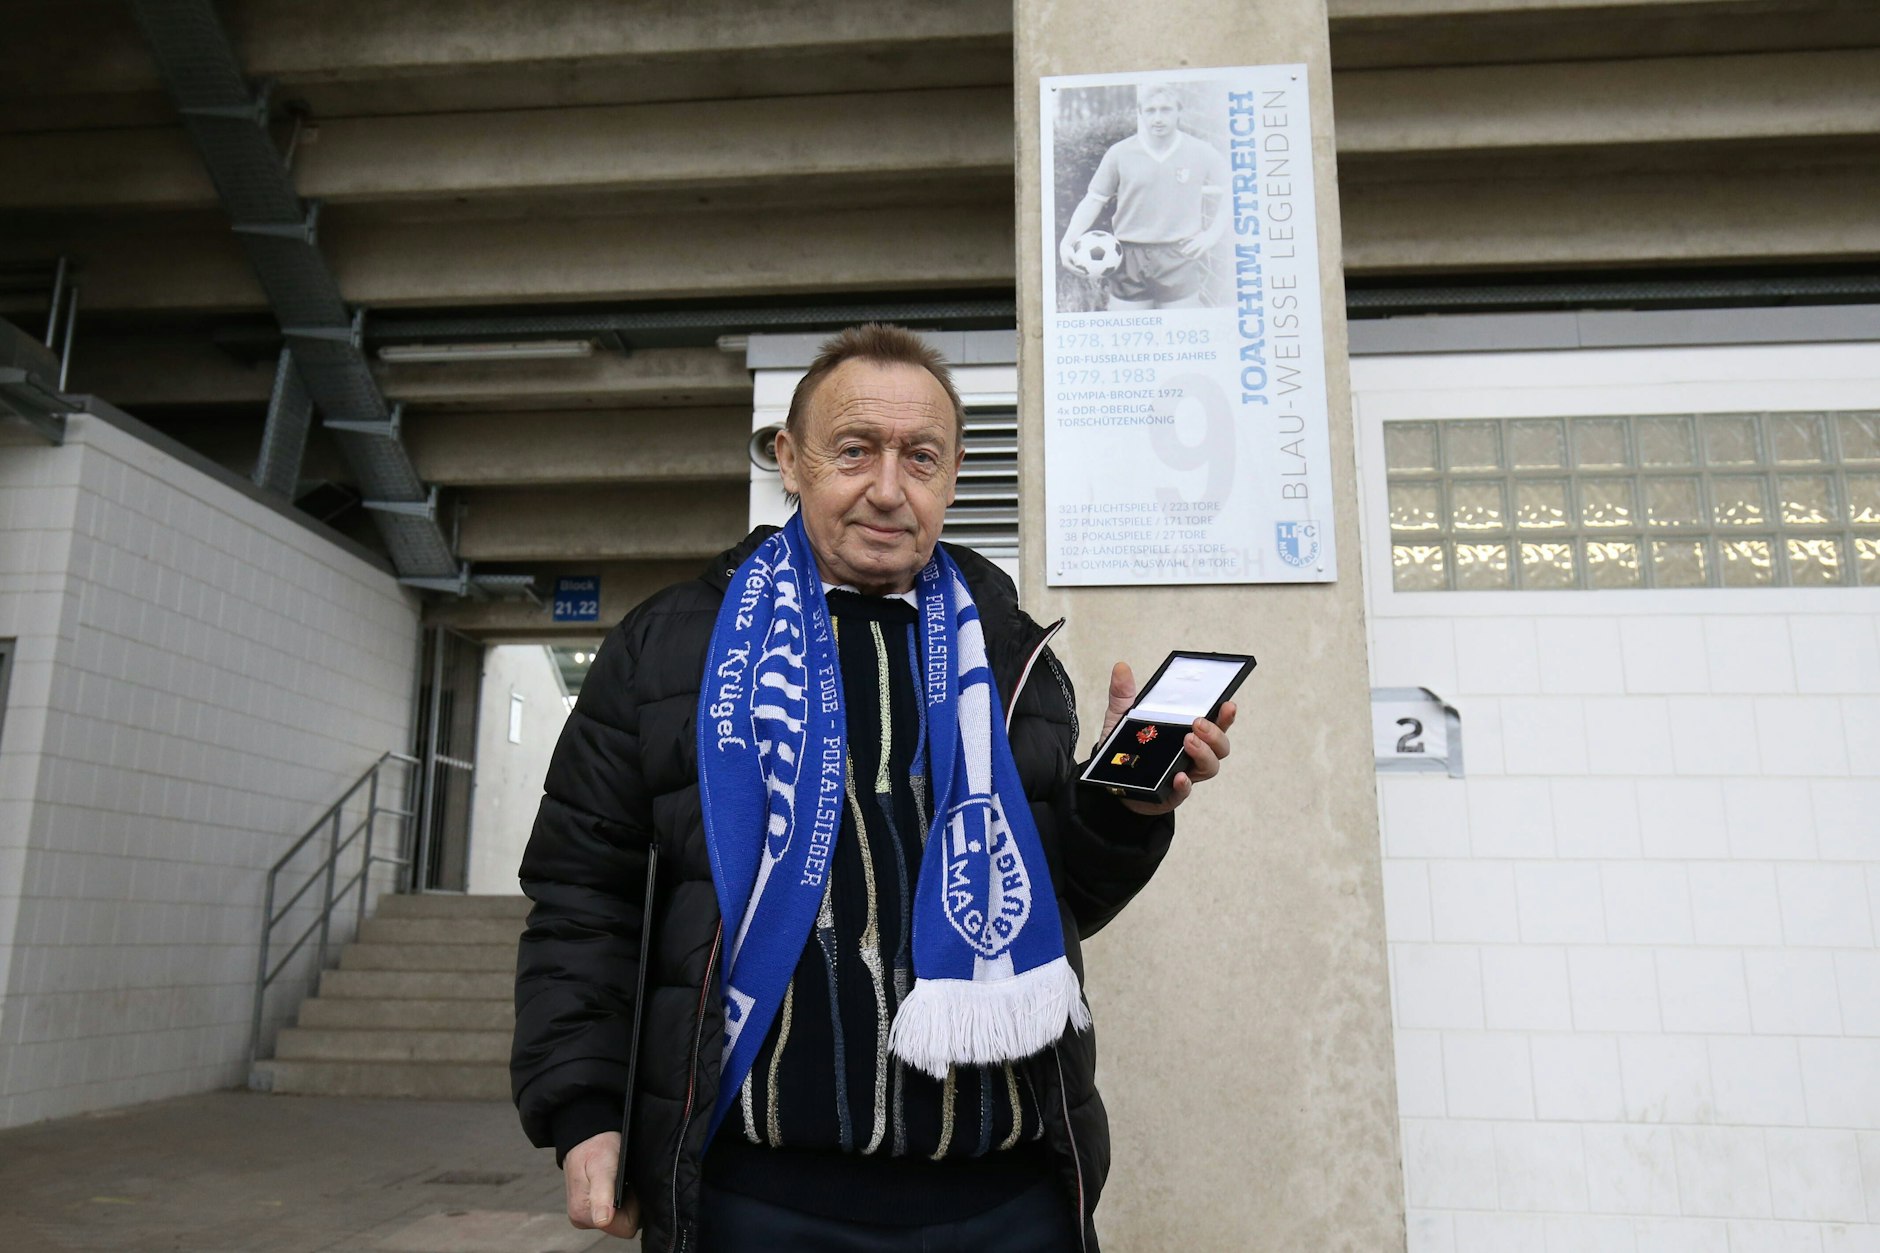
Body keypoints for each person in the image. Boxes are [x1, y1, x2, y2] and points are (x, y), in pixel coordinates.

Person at [510, 324, 1236, 1253]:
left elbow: (1051, 907)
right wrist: (582, 1109)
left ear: (954, 473)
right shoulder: (669, 649)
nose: (889, 489)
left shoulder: (1008, 656)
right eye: (855, 450)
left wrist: (1123, 810)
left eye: (920, 458)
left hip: (1008, 1198)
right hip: (755, 1199)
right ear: (791, 459)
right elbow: (583, 896)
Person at [1058, 83, 1231, 310]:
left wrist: (1213, 234)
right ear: (1141, 114)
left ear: (1179, 111)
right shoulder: (1119, 153)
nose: (1158, 117)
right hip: (1128, 255)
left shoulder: (1201, 151)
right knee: (1127, 337)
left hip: (1179, 255)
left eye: (1166, 109)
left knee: (1181, 336)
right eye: (1150, 110)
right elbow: (1094, 199)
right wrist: (1067, 242)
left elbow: (1234, 189)